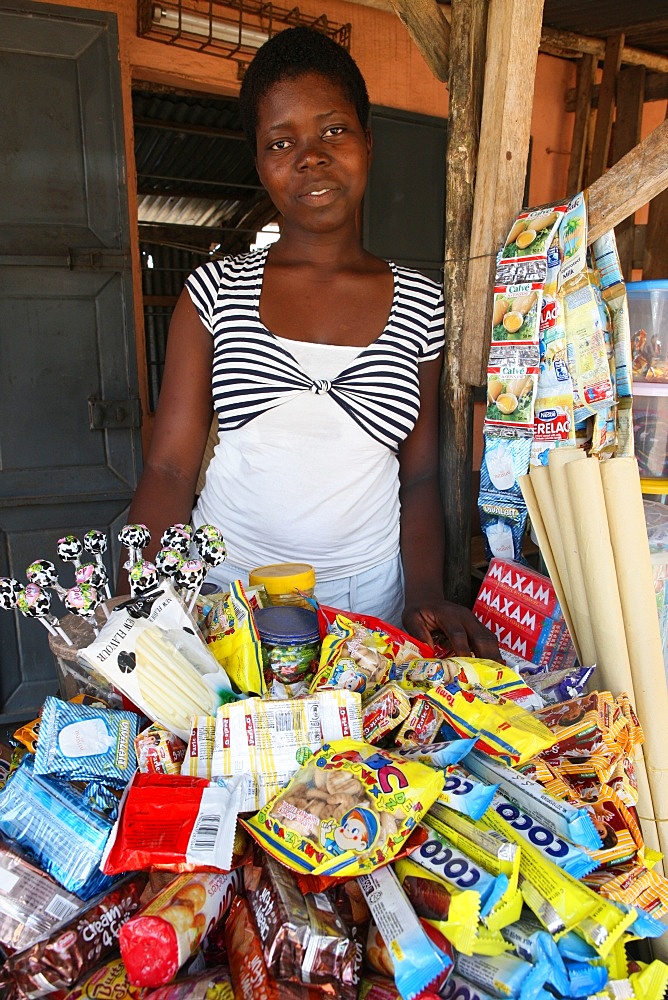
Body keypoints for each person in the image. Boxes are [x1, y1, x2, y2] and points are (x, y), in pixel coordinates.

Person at [124, 26, 498, 658]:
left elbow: (422, 474)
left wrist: (424, 594)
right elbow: (168, 468)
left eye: (332, 130)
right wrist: (143, 602)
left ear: (368, 142)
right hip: (227, 593)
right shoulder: (213, 291)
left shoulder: (422, 301)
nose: (310, 156)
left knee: (357, 755)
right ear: (262, 164)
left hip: (367, 601)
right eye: (281, 141)